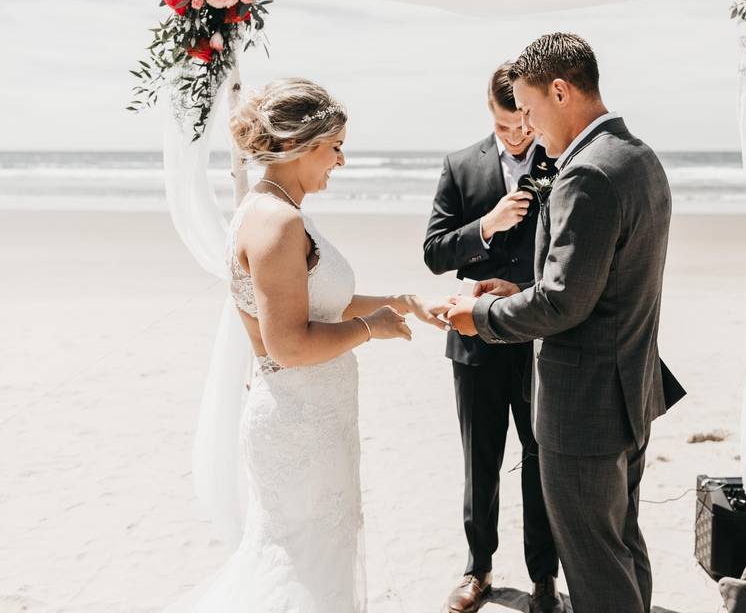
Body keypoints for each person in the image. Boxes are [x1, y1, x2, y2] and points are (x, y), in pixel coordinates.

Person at [168, 77, 450, 612]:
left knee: (314, 565)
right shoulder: (278, 222)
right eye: (336, 147)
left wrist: (396, 301)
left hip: (315, 417)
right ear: (303, 144)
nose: (340, 161)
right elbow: (289, 344)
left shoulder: (271, 206)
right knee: (301, 572)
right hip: (298, 426)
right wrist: (374, 329)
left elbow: (317, 306)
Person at [446, 34, 687, 613]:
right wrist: (521, 290)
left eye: (528, 108)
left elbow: (562, 306)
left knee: (593, 562)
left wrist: (479, 315)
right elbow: (594, 284)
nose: (525, 125)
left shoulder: (586, 173)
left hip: (585, 407)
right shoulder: (638, 156)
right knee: (622, 543)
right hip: (630, 388)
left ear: (560, 91)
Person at [423, 63, 561, 613]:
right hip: (474, 339)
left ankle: (544, 579)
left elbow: (571, 254)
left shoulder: (562, 160)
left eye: (524, 124)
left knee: (539, 457)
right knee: (480, 459)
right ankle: (477, 569)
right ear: (491, 113)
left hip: (539, 336)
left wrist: (522, 284)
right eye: (506, 128)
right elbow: (434, 252)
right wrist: (487, 226)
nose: (519, 136)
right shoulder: (460, 166)